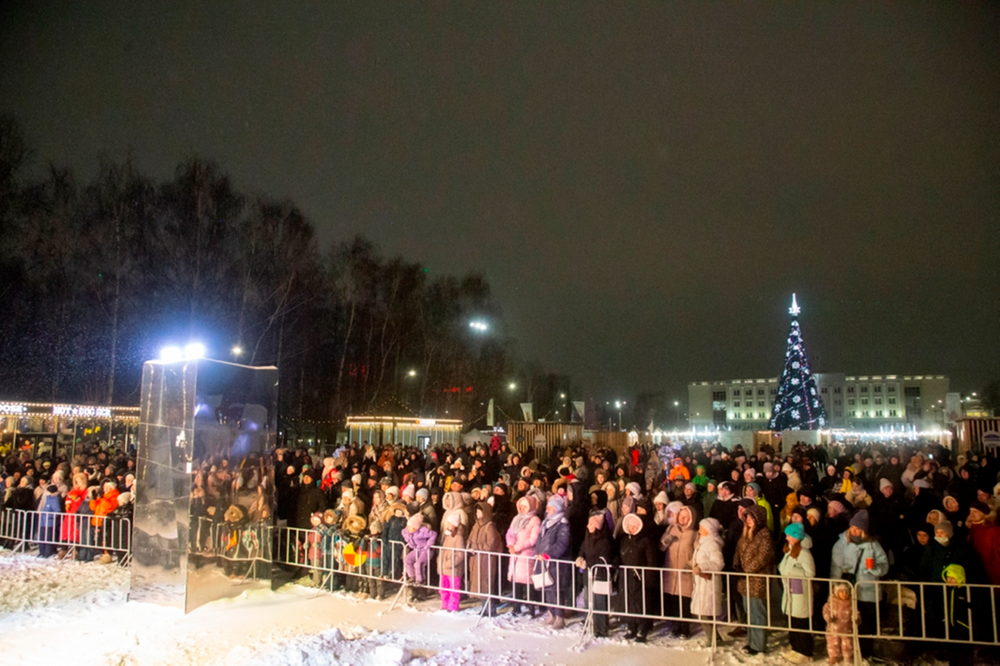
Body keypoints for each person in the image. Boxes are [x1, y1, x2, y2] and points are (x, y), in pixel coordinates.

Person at [829, 510, 888, 660]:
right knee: (849, 624)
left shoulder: (873, 545)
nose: (854, 530)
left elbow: (884, 565)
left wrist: (875, 569)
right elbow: (836, 566)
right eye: (852, 527)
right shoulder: (842, 544)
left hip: (868, 590)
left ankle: (865, 653)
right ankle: (851, 652)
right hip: (848, 591)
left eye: (857, 528)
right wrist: (835, 586)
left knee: (867, 623)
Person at [733, 505, 773, 656]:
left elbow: (762, 557)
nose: (748, 521)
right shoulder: (745, 535)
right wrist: (736, 564)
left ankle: (758, 644)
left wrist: (747, 570)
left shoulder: (765, 536)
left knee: (757, 613)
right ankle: (752, 641)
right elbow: (738, 550)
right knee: (749, 612)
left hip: (757, 581)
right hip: (745, 580)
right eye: (747, 518)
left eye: (751, 518)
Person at [618, 512, 659, 642]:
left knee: (641, 603)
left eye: (635, 525)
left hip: (640, 577)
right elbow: (620, 556)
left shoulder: (646, 541)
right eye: (630, 525)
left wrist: (649, 577)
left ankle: (643, 627)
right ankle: (631, 626)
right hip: (627, 576)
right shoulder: (624, 540)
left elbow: (652, 561)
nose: (632, 528)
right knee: (628, 601)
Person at [778, 522, 815, 663]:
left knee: (800, 622)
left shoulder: (804, 553)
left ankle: (804, 651)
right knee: (792, 621)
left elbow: (810, 573)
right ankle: (795, 647)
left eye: (788, 535)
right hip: (790, 591)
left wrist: (794, 573)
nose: (786, 538)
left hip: (800, 592)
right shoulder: (790, 550)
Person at [533, 494, 571, 629]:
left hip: (556, 564)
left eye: (549, 508)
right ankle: (551, 614)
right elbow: (540, 540)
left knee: (556, 590)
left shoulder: (562, 524)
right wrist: (537, 553)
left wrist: (549, 555)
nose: (547, 510)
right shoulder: (546, 523)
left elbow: (562, 543)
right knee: (547, 589)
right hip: (543, 561)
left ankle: (560, 617)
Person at [577, 509, 616, 637]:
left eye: (591, 524)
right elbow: (583, 549)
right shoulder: (588, 537)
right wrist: (580, 558)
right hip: (588, 575)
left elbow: (604, 557)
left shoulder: (605, 540)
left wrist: (588, 563)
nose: (588, 527)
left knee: (600, 602)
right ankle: (592, 622)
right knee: (589, 600)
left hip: (600, 575)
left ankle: (602, 628)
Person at [660, 504, 697, 637]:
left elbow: (697, 553)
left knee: (684, 601)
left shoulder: (694, 534)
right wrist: (665, 541)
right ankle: (675, 626)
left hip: (685, 573)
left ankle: (685, 628)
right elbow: (661, 548)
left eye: (686, 517)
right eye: (681, 516)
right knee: (673, 601)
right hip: (671, 571)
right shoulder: (671, 529)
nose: (683, 519)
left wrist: (690, 564)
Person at [690, 517, 725, 647]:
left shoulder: (713, 544)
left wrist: (702, 567)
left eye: (702, 528)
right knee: (704, 613)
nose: (699, 530)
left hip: (708, 582)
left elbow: (718, 562)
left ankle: (714, 639)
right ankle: (714, 637)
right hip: (701, 582)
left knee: (705, 613)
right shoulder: (703, 543)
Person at [468, 501, 505, 616]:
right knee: (480, 584)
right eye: (477, 511)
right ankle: (485, 608)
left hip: (486, 560)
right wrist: (469, 546)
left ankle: (491, 609)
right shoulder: (476, 525)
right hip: (476, 559)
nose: (478, 514)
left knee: (486, 584)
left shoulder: (490, 527)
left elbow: (491, 545)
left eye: (480, 511)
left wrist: (475, 547)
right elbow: (469, 539)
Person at [506, 495, 541, 615]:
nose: (523, 508)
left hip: (527, 554)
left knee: (528, 582)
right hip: (515, 555)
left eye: (525, 506)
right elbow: (510, 533)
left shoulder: (535, 520)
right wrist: (511, 544)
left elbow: (533, 539)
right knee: (516, 582)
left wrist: (518, 547)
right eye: (521, 506)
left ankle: (531, 608)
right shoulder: (516, 519)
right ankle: (516, 607)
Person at [402, 513, 437, 602]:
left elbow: (433, 534)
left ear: (415, 528)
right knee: (407, 559)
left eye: (410, 527)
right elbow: (404, 533)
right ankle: (412, 576)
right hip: (416, 550)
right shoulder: (407, 531)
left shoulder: (423, 531)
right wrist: (408, 539)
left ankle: (420, 580)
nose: (408, 528)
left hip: (425, 550)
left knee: (418, 564)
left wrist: (428, 545)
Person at [823, 582, 857, 665]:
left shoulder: (851, 603)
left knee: (847, 644)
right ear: (837, 593)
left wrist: (856, 619)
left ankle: (847, 657)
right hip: (833, 628)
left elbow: (856, 613)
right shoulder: (831, 603)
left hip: (846, 629)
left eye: (846, 592)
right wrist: (828, 618)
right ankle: (834, 656)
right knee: (833, 643)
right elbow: (825, 611)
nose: (844, 594)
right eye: (842, 592)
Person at [438, 512, 466, 611]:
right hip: (444, 567)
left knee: (454, 588)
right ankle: (445, 603)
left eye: (451, 523)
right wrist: (440, 562)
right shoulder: (447, 536)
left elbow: (460, 554)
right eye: (448, 523)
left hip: (454, 568)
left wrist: (450, 563)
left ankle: (453, 606)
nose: (448, 525)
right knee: (443, 587)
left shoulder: (459, 538)